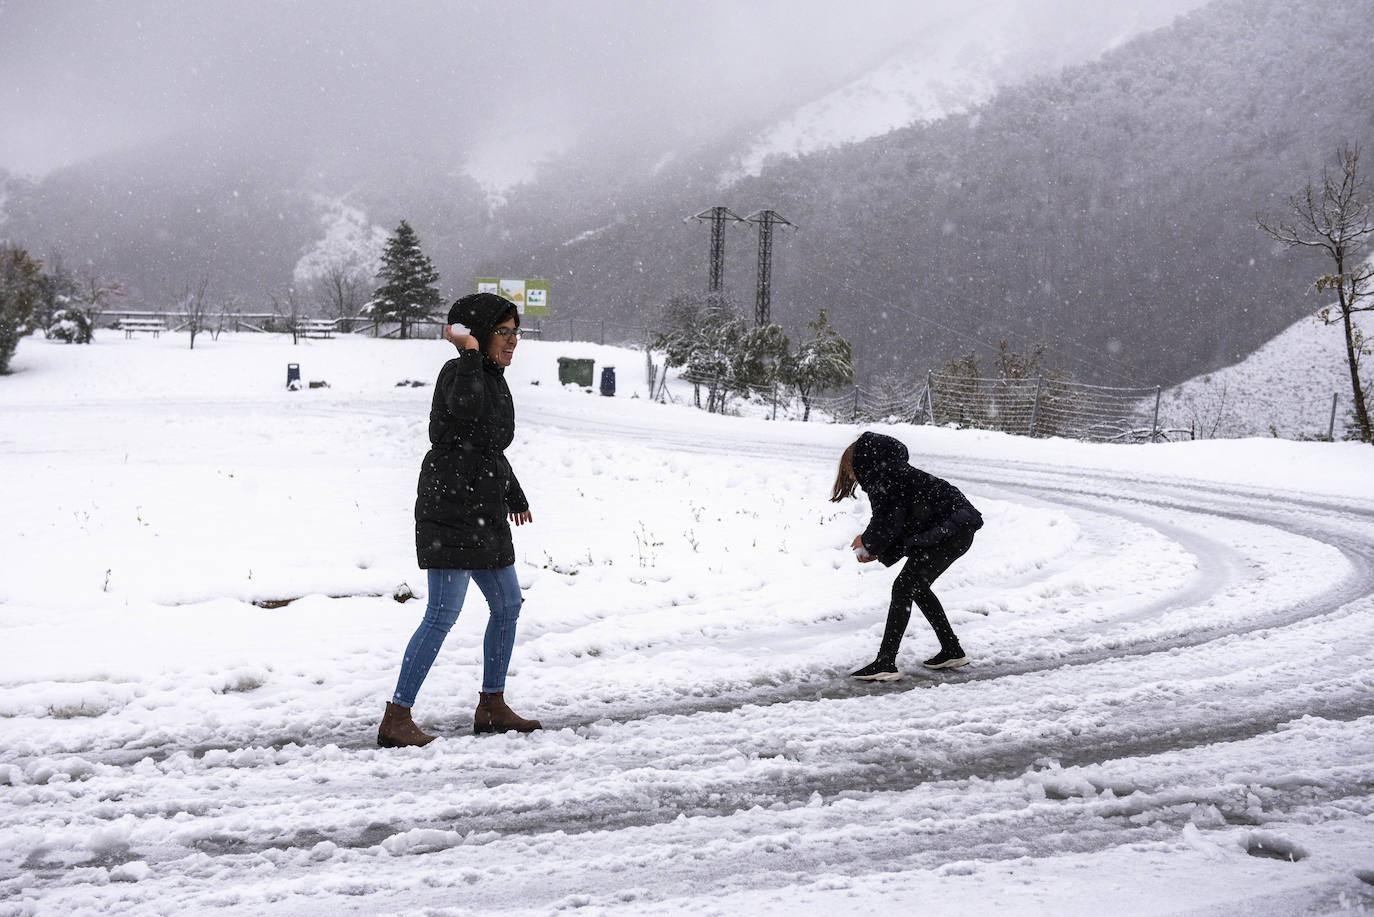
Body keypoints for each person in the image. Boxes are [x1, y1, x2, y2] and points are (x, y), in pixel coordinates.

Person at [377, 292, 542, 747]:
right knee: (442, 613)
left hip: (483, 510)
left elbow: (488, 444)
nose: (512, 342)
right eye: (502, 332)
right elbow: (467, 412)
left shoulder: (492, 377)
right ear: (479, 334)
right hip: (450, 507)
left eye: (515, 333)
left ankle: (492, 706)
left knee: (508, 604)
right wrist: (467, 352)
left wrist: (512, 491)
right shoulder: (458, 373)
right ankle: (397, 716)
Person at [831, 431, 983, 681]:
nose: (849, 475)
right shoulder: (892, 473)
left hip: (952, 529)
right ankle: (952, 649)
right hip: (953, 528)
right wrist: (874, 549)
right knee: (915, 587)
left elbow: (888, 522)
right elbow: (901, 524)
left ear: (861, 462)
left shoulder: (886, 477)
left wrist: (868, 543)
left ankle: (885, 662)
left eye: (849, 468)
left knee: (904, 587)